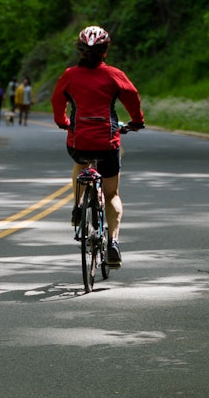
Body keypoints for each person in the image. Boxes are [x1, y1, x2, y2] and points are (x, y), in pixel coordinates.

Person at [51, 26, 144, 268]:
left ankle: (77, 206)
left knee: (80, 163)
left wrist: (63, 122)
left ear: (79, 51)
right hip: (107, 142)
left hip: (78, 141)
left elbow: (57, 99)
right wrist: (137, 121)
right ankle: (113, 242)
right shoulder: (113, 75)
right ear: (105, 51)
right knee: (112, 194)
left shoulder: (69, 75)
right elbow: (132, 97)